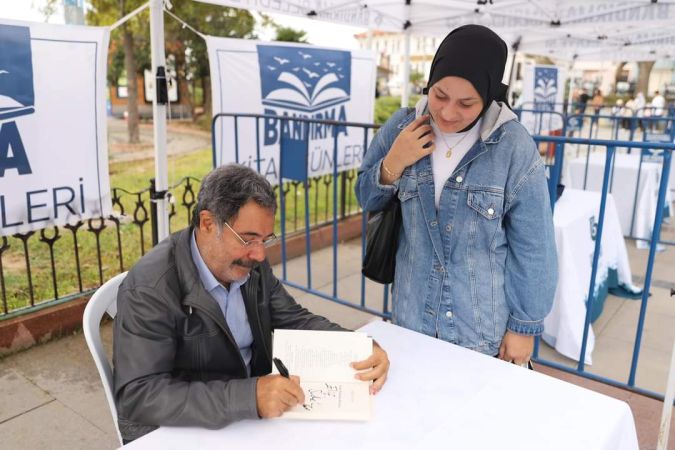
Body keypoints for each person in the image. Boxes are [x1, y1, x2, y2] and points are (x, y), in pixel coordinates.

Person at [113, 164, 390, 442]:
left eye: (265, 239)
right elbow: (139, 394)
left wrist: (357, 345)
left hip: (247, 415)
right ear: (208, 224)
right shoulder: (150, 288)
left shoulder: (247, 262)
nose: (258, 254)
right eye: (247, 239)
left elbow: (293, 318)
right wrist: (249, 396)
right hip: (181, 429)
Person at [355, 25, 557, 366]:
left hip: (479, 331)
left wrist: (524, 327)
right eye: (439, 95)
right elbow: (366, 196)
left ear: (490, 94)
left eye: (466, 103)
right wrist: (393, 162)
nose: (448, 112)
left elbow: (535, 245)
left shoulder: (512, 145)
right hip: (412, 317)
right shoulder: (403, 125)